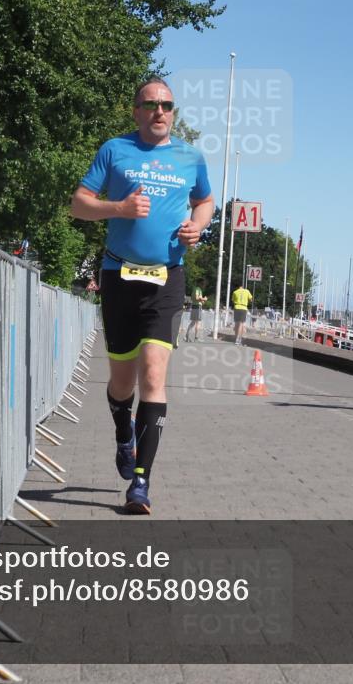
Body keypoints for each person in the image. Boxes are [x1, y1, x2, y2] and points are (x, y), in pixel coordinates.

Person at [71, 76, 214, 514]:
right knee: (122, 382)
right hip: (118, 275)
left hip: (167, 279)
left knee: (154, 376)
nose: (159, 112)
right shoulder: (115, 150)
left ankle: (140, 484)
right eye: (150, 104)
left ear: (174, 112)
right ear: (136, 111)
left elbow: (205, 201)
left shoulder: (191, 157)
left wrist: (199, 226)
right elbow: (79, 203)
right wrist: (119, 208)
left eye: (167, 105)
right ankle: (122, 432)